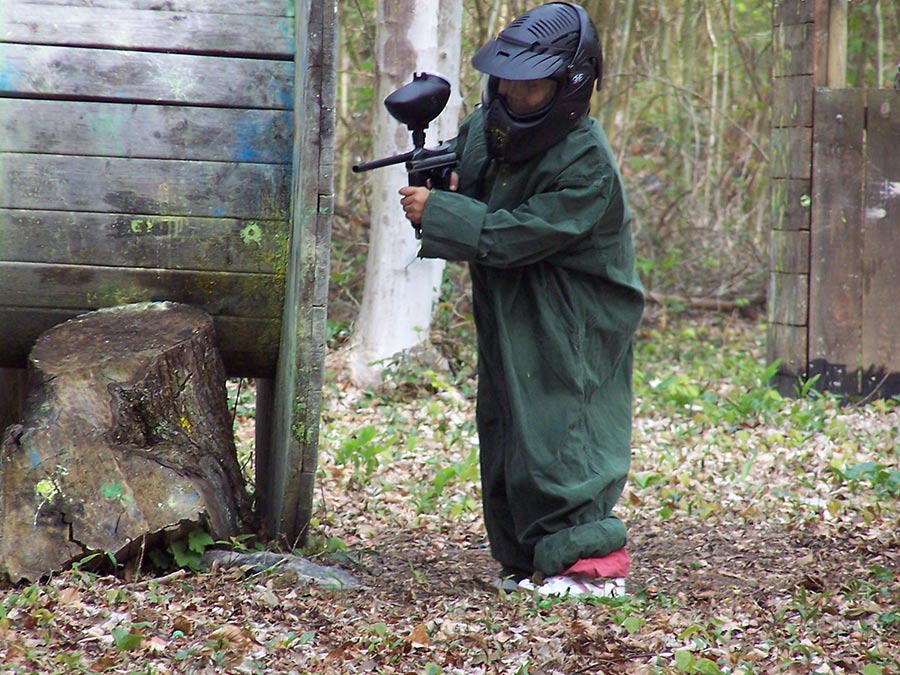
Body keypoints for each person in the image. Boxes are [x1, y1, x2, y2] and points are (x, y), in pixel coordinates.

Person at [399, 2, 644, 596]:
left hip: (576, 312)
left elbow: (518, 232)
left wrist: (445, 213)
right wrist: (446, 183)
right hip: (512, 301)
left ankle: (590, 564)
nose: (513, 94)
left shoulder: (588, 160)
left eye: (531, 87)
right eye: (506, 80)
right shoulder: (491, 123)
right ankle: (531, 557)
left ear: (569, 87)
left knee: (565, 423)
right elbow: (477, 185)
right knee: (510, 425)